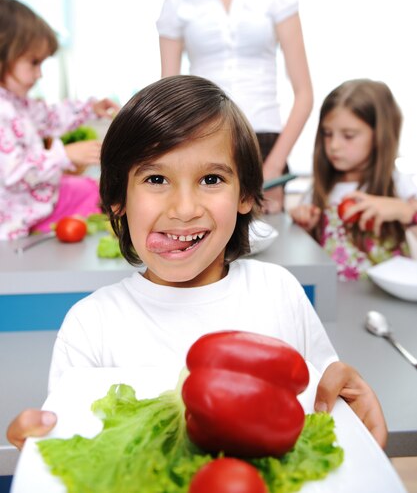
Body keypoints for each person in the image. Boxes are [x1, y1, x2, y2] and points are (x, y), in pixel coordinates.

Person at [7, 76, 386, 450]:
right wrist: (48, 454)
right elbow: (77, 446)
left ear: (246, 196)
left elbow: (324, 402)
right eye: (156, 178)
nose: (184, 209)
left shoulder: (279, 292)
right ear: (117, 199)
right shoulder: (91, 325)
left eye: (210, 179)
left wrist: (350, 398)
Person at [156, 0, 313, 214]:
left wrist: (272, 167)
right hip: (203, 145)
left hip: (267, 145)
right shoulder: (177, 6)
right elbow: (168, 99)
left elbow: (304, 94)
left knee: (269, 257)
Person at [0, 0, 119, 240]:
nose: (39, 74)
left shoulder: (15, 103)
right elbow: (12, 174)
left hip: (36, 197)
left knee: (92, 189)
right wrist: (64, 155)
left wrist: (89, 108)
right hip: (16, 215)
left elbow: (49, 116)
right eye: (33, 63)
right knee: (93, 194)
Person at [290, 79, 417, 281]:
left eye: (348, 136)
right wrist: (305, 224)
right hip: (334, 299)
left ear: (379, 136)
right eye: (327, 134)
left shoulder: (397, 183)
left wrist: (405, 211)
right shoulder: (319, 189)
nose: (333, 146)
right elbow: (301, 251)